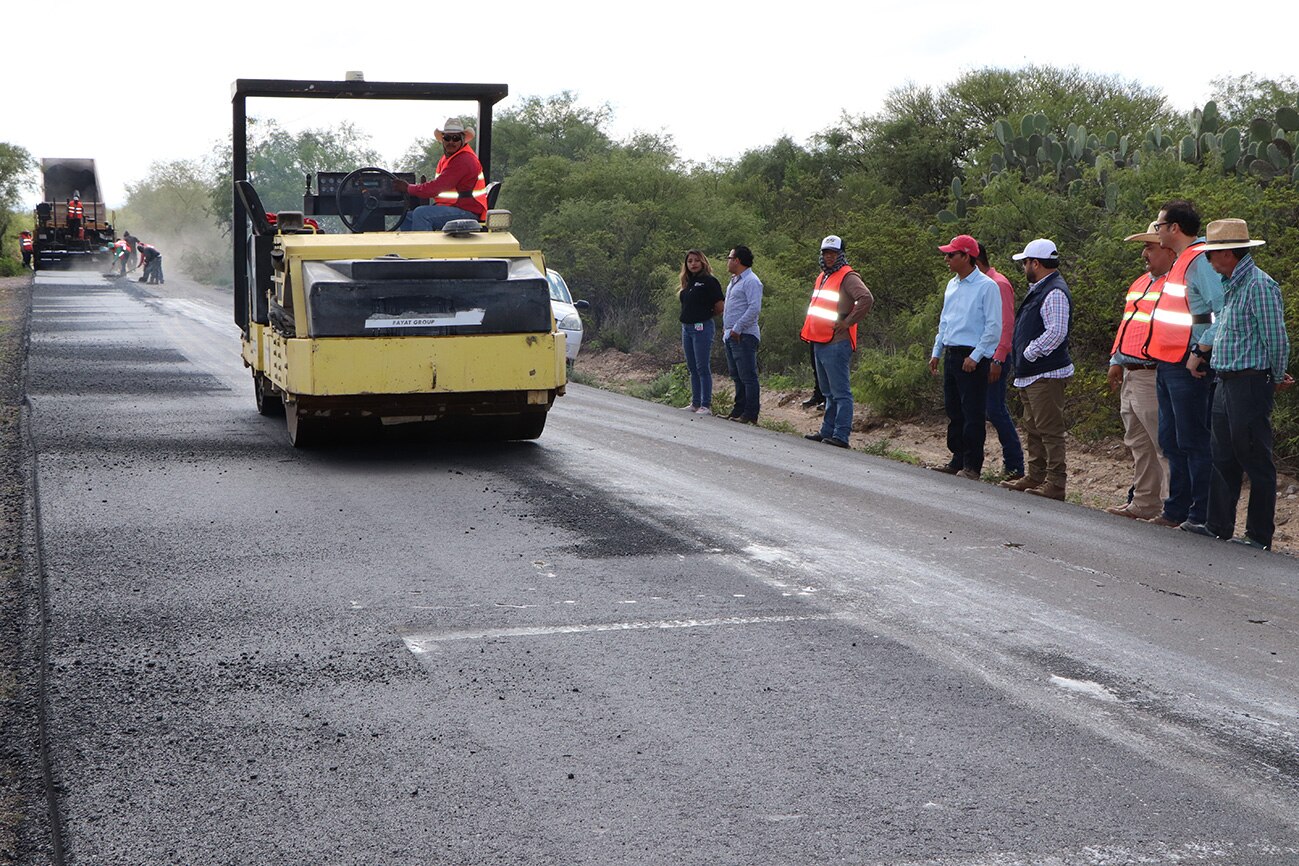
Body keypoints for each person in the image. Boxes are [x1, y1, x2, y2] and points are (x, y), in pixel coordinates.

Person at [1185, 219, 1292, 550]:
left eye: (1212, 255)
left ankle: (1259, 535)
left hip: (1249, 380)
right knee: (1223, 454)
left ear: (1228, 254)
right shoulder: (1232, 285)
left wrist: (1274, 376)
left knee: (1254, 456)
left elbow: (1276, 339)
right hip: (1226, 379)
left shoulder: (1260, 286)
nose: (1209, 261)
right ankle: (1218, 524)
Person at [1140, 200, 1222, 533]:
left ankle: (1200, 514)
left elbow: (1221, 310)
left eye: (1159, 225)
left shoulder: (1199, 259)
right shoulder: (1179, 262)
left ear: (1174, 228)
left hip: (1188, 366)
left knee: (1192, 441)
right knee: (1172, 440)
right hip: (1169, 363)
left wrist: (1200, 352)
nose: (1156, 232)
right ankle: (1176, 511)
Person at [1105, 221, 1173, 519]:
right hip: (1132, 372)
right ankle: (1145, 503)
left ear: (1169, 250)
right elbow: (1128, 326)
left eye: (1150, 247)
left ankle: (1172, 506)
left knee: (1162, 443)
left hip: (1153, 372)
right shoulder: (1140, 283)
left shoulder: (1176, 285)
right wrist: (1116, 361)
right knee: (1138, 441)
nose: (1145, 254)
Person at [1000, 239, 1073, 501]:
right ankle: (1036, 474)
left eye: (1025, 262)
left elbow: (1056, 331)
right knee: (1033, 426)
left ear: (1036, 263)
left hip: (1046, 373)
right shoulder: (1041, 289)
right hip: (1032, 373)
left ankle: (1055, 482)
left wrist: (1030, 352)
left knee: (1049, 428)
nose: (1024, 267)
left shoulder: (1054, 291)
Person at [929, 234, 1001, 480]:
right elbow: (945, 320)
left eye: (952, 255)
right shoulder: (952, 284)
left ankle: (972, 464)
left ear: (967, 257)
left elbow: (993, 327)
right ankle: (957, 457)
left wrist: (977, 355)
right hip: (952, 351)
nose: (947, 259)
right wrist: (937, 350)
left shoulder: (987, 287)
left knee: (972, 411)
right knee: (954, 409)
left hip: (971, 355)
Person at [800, 235, 874, 448]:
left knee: (841, 393)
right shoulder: (823, 275)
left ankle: (841, 435)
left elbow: (866, 298)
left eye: (833, 253)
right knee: (828, 392)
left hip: (836, 341)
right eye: (826, 253)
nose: (829, 256)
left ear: (841, 254)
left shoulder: (847, 276)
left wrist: (848, 322)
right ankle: (827, 431)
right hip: (820, 339)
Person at [976, 243, 1024, 479]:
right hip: (983, 354)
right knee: (985, 409)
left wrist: (998, 357)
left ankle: (1015, 464)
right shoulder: (981, 284)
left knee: (995, 409)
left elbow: (1006, 324)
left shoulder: (999, 284)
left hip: (996, 355)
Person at [394, 119, 487, 231]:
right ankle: (410, 248)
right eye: (447, 138)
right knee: (407, 217)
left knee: (421, 214)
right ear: (443, 140)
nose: (451, 142)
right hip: (454, 207)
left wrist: (408, 188)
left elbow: (437, 187)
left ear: (462, 140)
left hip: (467, 212)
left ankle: (425, 248)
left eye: (455, 138)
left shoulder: (463, 160)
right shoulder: (450, 159)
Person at [677, 250, 724, 415]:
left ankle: (706, 405)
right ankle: (695, 403)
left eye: (696, 260)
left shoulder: (709, 282)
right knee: (692, 366)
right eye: (690, 261)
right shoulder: (689, 282)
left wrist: (704, 315)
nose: (693, 264)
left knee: (702, 366)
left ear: (703, 262)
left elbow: (719, 306)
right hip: (687, 328)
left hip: (701, 328)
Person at [722, 245, 763, 424]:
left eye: (730, 258)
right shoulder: (734, 280)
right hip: (731, 335)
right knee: (737, 375)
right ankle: (738, 410)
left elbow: (754, 308)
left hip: (744, 335)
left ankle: (750, 413)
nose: (728, 261)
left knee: (748, 376)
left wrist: (737, 328)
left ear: (737, 260)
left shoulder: (751, 281)